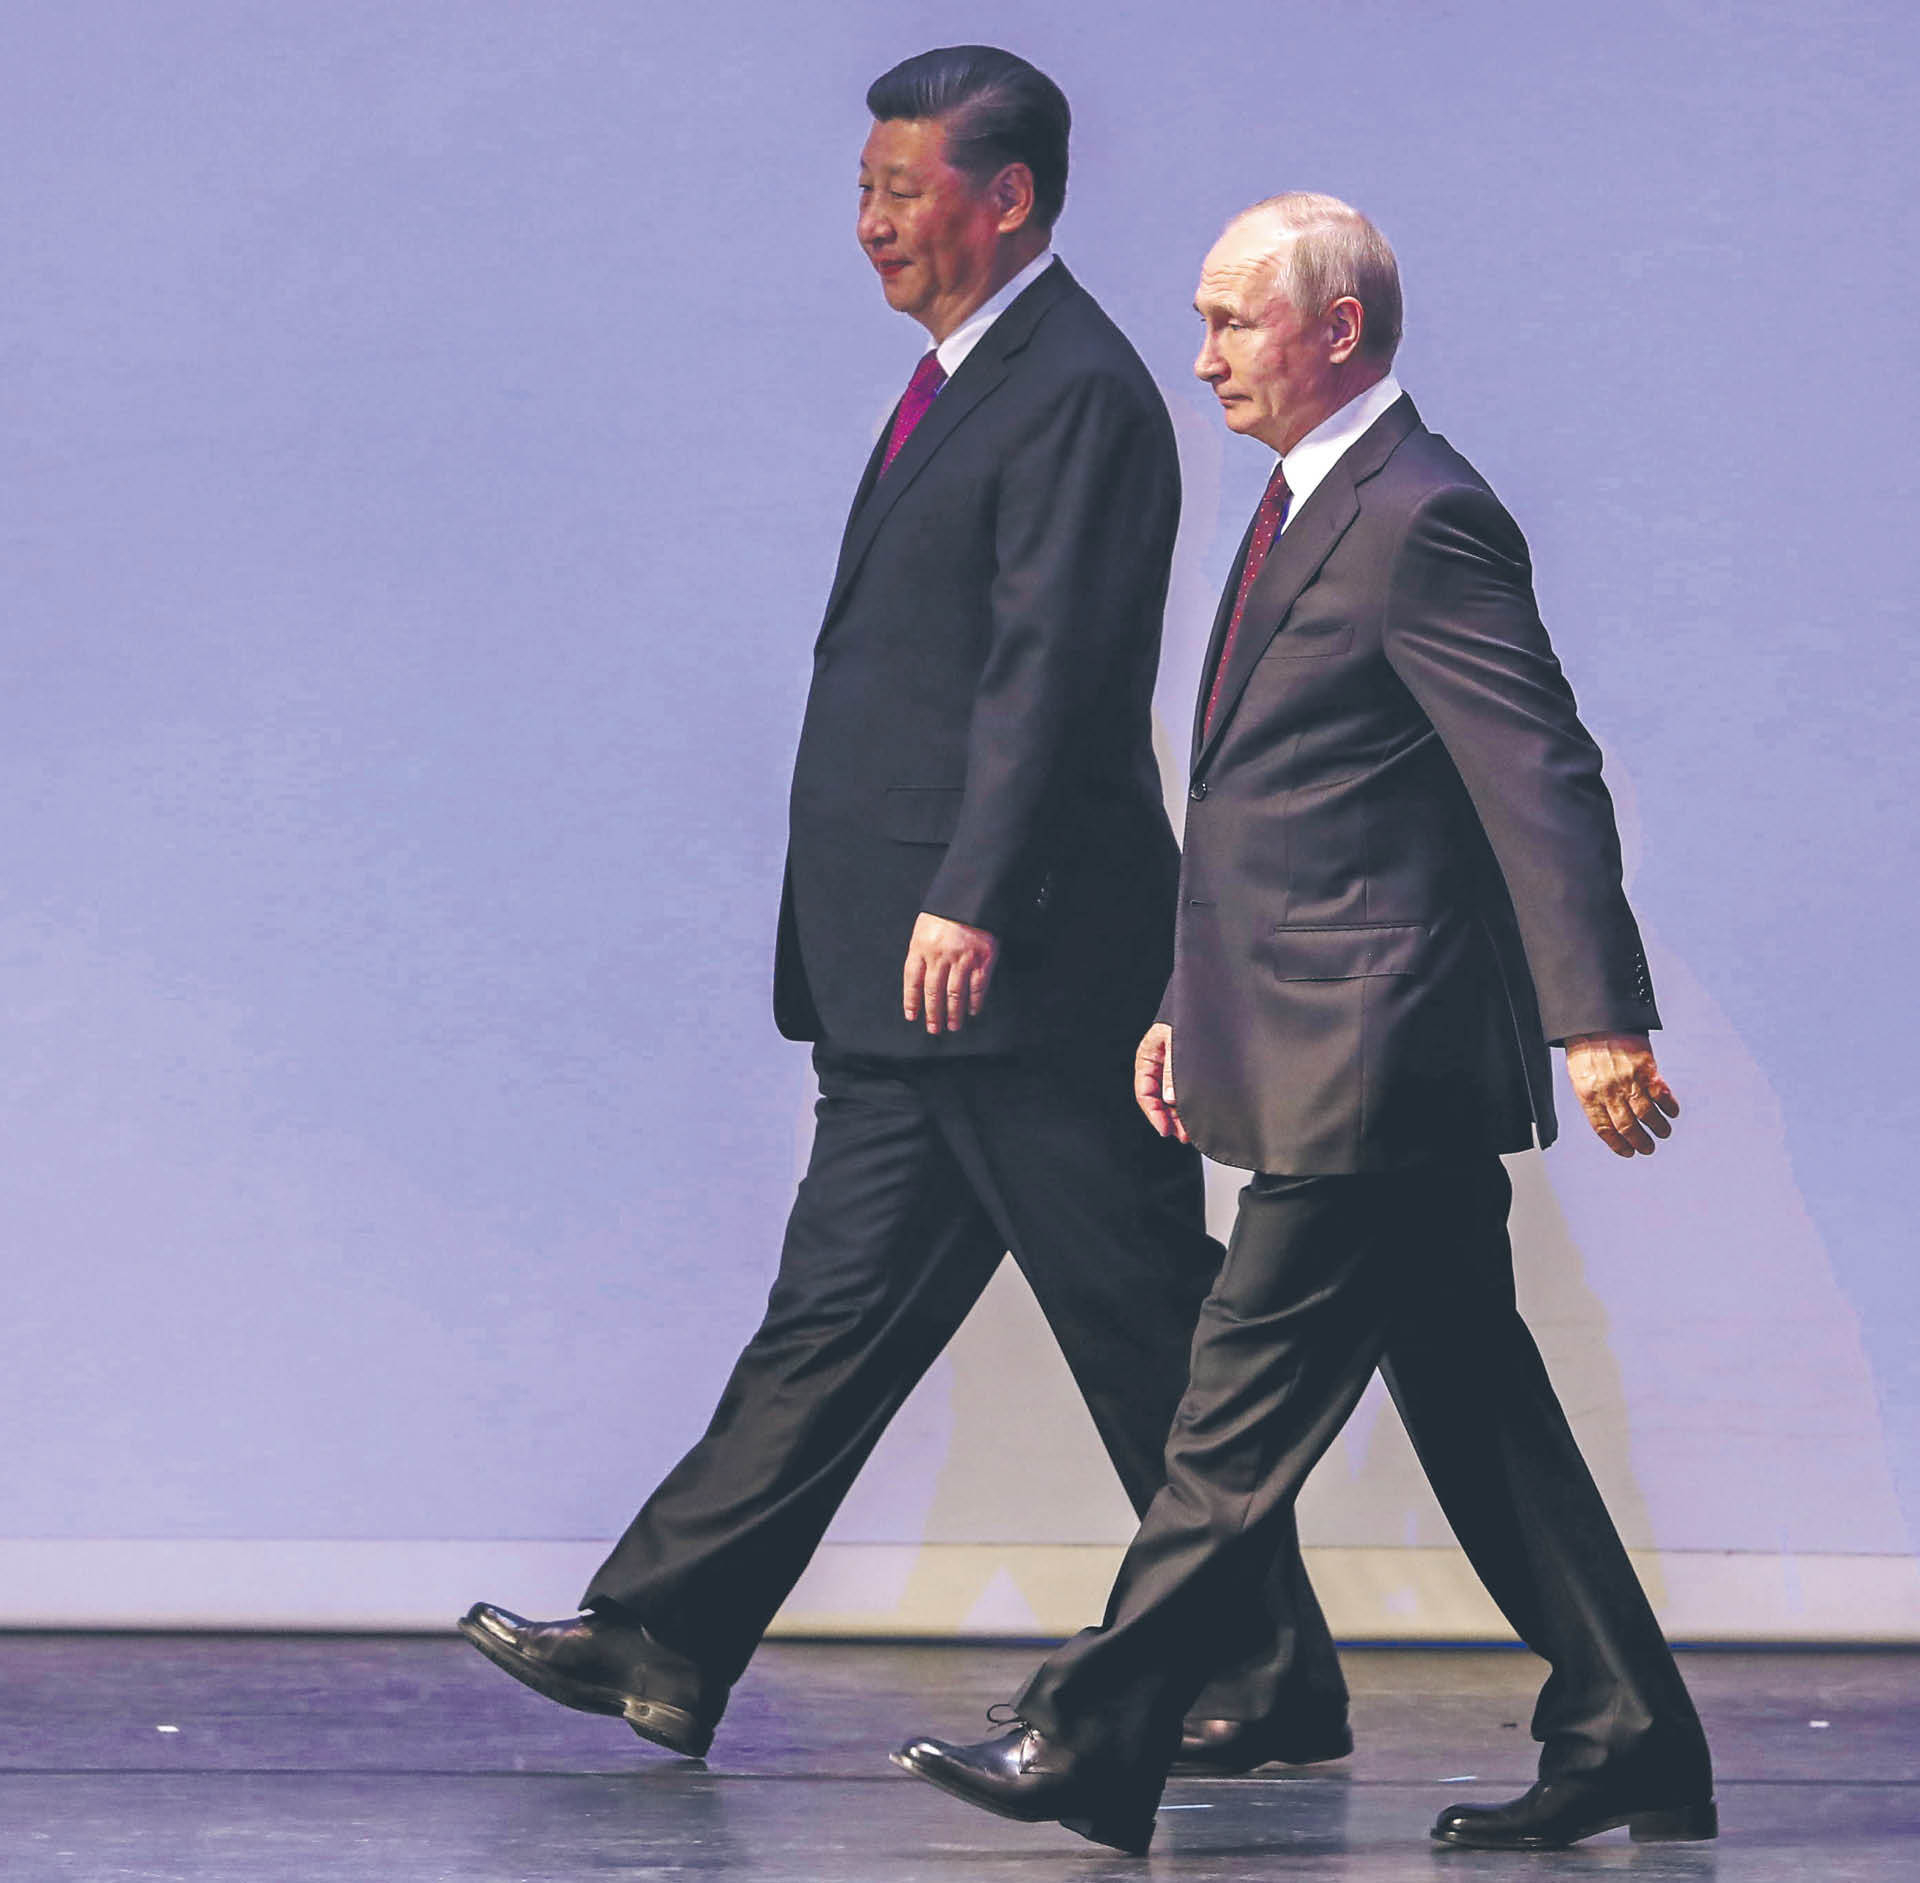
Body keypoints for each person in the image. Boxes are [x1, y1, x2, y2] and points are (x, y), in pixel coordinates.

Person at [458, 52, 1347, 1773]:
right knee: (836, 1318)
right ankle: (662, 1633)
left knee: (1145, 1328)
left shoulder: (1075, 388)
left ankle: (1269, 1669)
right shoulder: (969, 380)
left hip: (1019, 967)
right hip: (915, 976)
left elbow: (1053, 674)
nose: (868, 221)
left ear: (1005, 198)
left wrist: (971, 894)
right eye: (862, 189)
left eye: (899, 189)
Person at [893, 193, 1717, 1855]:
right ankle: (1629, 1730)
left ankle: (1090, 1736)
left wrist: (1599, 1018)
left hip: (1376, 1061)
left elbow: (1539, 777)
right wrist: (1188, 1006)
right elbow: (1281, 809)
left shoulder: (1423, 515)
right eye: (1200, 322)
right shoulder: (1306, 505)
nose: (1202, 357)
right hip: (1328, 1038)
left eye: (1233, 322)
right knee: (1479, 1408)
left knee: (1230, 1417)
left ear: (1337, 330)